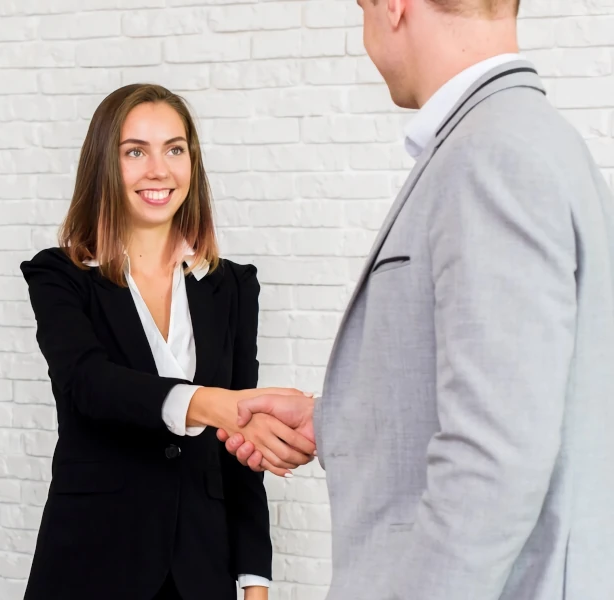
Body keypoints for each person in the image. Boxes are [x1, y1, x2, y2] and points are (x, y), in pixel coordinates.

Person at [217, 1, 614, 598]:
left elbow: (495, 459)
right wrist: (332, 419)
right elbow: (516, 397)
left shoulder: (493, 155)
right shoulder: (524, 139)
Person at [19, 83, 315, 600]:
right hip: (91, 558)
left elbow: (238, 450)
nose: (159, 170)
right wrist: (214, 404)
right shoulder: (59, 275)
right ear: (103, 166)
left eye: (175, 149)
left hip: (201, 567)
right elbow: (87, 383)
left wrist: (254, 577)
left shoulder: (232, 286)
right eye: (135, 151)